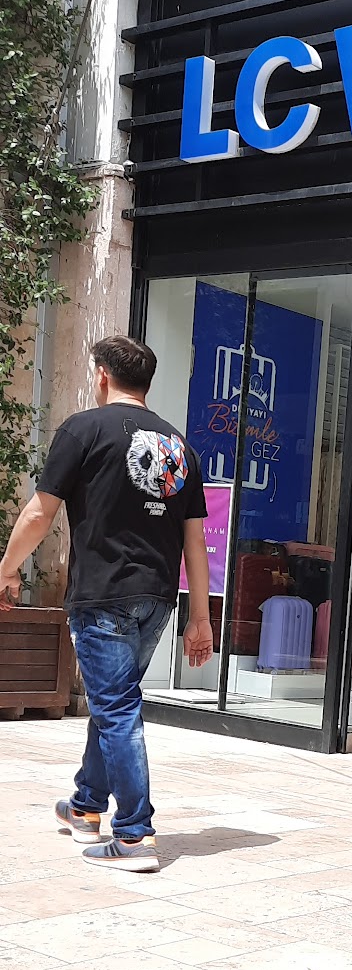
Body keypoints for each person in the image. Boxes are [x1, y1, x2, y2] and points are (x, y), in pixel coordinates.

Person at [0, 334, 212, 873]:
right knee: (113, 701)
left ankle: (135, 836)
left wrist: (6, 568)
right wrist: (201, 617)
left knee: (117, 709)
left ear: (101, 375)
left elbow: (39, 513)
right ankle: (86, 807)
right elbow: (195, 541)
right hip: (156, 598)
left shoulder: (84, 429)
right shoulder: (180, 447)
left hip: (103, 596)